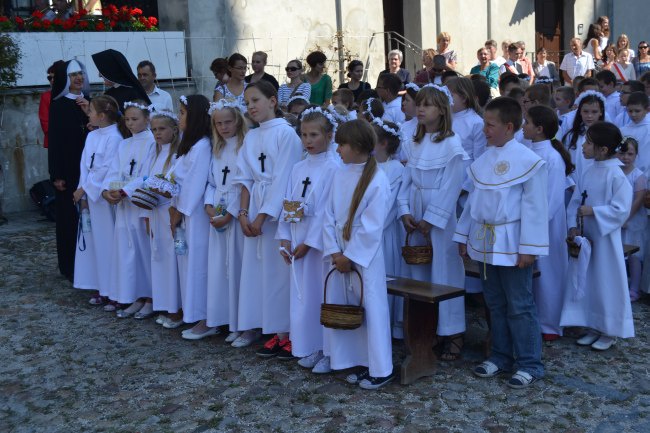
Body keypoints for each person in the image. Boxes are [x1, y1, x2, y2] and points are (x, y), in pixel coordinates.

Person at [454, 97, 549, 389]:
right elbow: (474, 203)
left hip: (513, 242)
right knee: (494, 302)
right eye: (484, 123)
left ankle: (529, 363)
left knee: (519, 304)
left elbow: (535, 207)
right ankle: (500, 356)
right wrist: (462, 235)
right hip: (484, 241)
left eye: (489, 124)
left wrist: (529, 248)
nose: (485, 129)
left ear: (508, 127)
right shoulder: (484, 159)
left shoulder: (528, 161)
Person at [398, 85, 468, 361]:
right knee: (419, 274)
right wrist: (404, 210)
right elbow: (406, 180)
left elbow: (452, 186)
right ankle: (426, 330)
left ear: (442, 110)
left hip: (439, 217)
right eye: (419, 104)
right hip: (415, 210)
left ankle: (453, 331)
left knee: (445, 271)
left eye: (427, 105)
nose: (421, 109)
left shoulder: (451, 143)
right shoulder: (413, 142)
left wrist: (431, 219)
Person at [322, 119, 393, 390]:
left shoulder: (377, 179)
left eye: (342, 144)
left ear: (359, 146)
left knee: (370, 307)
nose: (337, 149)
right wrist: (334, 250)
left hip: (365, 255)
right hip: (341, 251)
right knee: (349, 306)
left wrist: (349, 255)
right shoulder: (340, 173)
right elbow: (327, 215)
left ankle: (381, 367)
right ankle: (358, 360)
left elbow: (374, 226)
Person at [232, 81, 302, 350]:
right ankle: (266, 326)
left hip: (275, 215)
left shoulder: (286, 135)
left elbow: (284, 178)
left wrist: (262, 217)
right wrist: (242, 214)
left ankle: (286, 331)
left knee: (277, 275)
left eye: (255, 100)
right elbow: (245, 179)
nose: (250, 106)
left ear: (273, 101)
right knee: (256, 273)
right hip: (252, 212)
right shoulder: (251, 136)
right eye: (247, 102)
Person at [560, 122, 634, 350]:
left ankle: (609, 330)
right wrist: (573, 225)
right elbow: (576, 201)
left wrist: (594, 212)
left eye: (589, 142)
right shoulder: (589, 170)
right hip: (587, 237)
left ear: (603, 149)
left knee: (605, 282)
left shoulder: (616, 175)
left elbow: (621, 209)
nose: (584, 145)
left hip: (605, 240)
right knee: (588, 281)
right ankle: (592, 324)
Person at [277, 107, 340, 369]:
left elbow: (328, 209)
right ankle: (310, 345)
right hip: (297, 236)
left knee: (322, 294)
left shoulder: (334, 167)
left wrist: (309, 243)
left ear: (329, 135)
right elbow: (288, 200)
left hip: (319, 243)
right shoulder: (298, 167)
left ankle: (329, 349)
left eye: (314, 134)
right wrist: (284, 237)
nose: (308, 140)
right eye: (304, 134)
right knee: (303, 297)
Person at [522, 105, 573, 341]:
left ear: (539, 129)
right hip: (528, 220)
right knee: (532, 274)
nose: (523, 126)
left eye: (527, 123)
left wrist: (536, 224)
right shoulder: (527, 150)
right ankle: (533, 319)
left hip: (546, 224)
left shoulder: (552, 157)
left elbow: (553, 199)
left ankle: (550, 323)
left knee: (549, 272)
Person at [200, 100, 248, 341]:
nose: (223, 127)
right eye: (218, 123)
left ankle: (242, 322)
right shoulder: (216, 149)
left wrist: (229, 213)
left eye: (228, 122)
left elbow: (243, 184)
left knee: (236, 267)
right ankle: (224, 319)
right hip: (217, 211)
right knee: (219, 269)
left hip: (235, 211)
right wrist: (209, 206)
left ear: (238, 120)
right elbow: (211, 181)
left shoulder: (244, 146)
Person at [101, 100, 155, 315]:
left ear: (146, 119)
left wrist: (125, 190)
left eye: (135, 119)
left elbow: (148, 173)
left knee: (144, 252)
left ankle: (151, 298)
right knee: (127, 253)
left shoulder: (151, 142)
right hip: (123, 207)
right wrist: (107, 190)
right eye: (128, 119)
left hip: (140, 205)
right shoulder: (124, 144)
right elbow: (114, 171)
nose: (130, 123)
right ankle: (136, 295)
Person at [73, 96, 125, 305]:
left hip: (104, 197)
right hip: (91, 196)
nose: (88, 114)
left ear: (102, 116)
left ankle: (114, 289)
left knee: (108, 244)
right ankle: (100, 286)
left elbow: (107, 167)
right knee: (95, 244)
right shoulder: (92, 136)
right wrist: (82, 192)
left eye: (91, 111)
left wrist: (87, 188)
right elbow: (84, 164)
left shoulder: (115, 137)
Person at [167, 95, 212, 331]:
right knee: (186, 263)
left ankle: (205, 317)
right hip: (183, 211)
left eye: (183, 112)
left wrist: (179, 211)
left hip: (194, 213)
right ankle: (191, 311)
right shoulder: (189, 144)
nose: (178, 116)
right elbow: (176, 173)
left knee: (198, 264)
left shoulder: (203, 145)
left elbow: (195, 184)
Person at [48, 59, 90, 281]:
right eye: (73, 74)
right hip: (68, 169)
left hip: (89, 170)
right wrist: (56, 174)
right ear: (66, 78)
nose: (78, 78)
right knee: (68, 219)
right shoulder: (59, 105)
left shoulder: (89, 102)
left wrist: (88, 110)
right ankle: (70, 265)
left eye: (80, 73)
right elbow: (54, 141)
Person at [143, 111, 182, 327]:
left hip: (168, 212)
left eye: (162, 129)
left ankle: (176, 309)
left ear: (174, 130)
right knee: (159, 260)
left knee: (171, 262)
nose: (157, 133)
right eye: (154, 129)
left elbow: (174, 185)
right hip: (155, 212)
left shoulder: (176, 155)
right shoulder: (155, 152)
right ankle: (166, 305)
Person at [617, 137, 646, 302]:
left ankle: (634, 288)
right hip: (618, 220)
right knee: (619, 253)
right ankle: (620, 286)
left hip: (632, 221)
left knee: (635, 255)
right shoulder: (615, 173)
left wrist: (626, 218)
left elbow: (638, 199)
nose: (626, 157)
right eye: (622, 153)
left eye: (630, 154)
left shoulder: (638, 175)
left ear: (636, 155)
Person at [563, 91, 606, 180]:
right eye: (585, 111)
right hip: (574, 185)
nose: (589, 116)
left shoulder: (607, 136)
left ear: (601, 112)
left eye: (594, 112)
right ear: (580, 112)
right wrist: (572, 184)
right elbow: (565, 162)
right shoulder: (571, 136)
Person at [447, 77, 487, 166]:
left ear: (464, 98)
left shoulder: (477, 123)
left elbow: (479, 157)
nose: (446, 99)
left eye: (450, 95)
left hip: (465, 172)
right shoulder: (444, 118)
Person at [620, 92, 650, 174]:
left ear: (647, 110)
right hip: (627, 173)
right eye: (630, 111)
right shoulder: (623, 130)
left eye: (637, 111)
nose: (633, 114)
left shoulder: (648, 129)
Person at [39, 61, 62, 149]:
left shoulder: (74, 94)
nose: (52, 80)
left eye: (54, 77)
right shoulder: (46, 96)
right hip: (55, 139)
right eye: (49, 78)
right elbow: (44, 121)